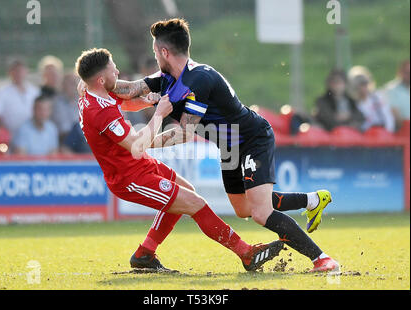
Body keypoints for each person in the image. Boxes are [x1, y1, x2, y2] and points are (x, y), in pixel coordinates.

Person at [113, 18, 338, 273]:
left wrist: (141, 144)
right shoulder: (167, 77)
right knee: (243, 209)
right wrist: (93, 86)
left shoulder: (199, 80)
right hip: (228, 147)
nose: (155, 57)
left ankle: (323, 260)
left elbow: (185, 133)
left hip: (252, 138)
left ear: (165, 52)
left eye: (155, 52)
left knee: (260, 212)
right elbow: (130, 90)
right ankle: (312, 200)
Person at [75, 48, 284, 272]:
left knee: (186, 190)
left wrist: (147, 102)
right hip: (129, 177)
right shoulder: (99, 112)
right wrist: (159, 113)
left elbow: (122, 101)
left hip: (140, 165)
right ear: (100, 79)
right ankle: (246, 253)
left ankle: (145, 254)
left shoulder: (91, 91)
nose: (117, 70)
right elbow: (137, 145)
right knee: (195, 203)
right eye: (112, 68)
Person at [0, 59, 40, 138]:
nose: (19, 74)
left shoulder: (35, 91)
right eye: (16, 71)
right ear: (10, 73)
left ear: (26, 72)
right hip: (11, 136)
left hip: (32, 135)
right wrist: (4, 131)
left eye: (21, 71)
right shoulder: (2, 92)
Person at [347, 66, 395, 133]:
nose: (363, 87)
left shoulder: (377, 97)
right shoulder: (352, 102)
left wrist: (388, 132)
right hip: (365, 135)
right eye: (360, 84)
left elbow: (387, 117)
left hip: (382, 132)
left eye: (365, 83)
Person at [52, 72, 80, 141]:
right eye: (72, 83)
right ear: (63, 85)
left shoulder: (81, 101)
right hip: (64, 138)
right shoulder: (56, 102)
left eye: (76, 83)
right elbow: (63, 128)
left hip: (80, 138)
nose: (75, 85)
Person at [382, 60, 410, 130]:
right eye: (407, 72)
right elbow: (396, 115)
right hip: (402, 130)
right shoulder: (391, 89)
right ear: (400, 72)